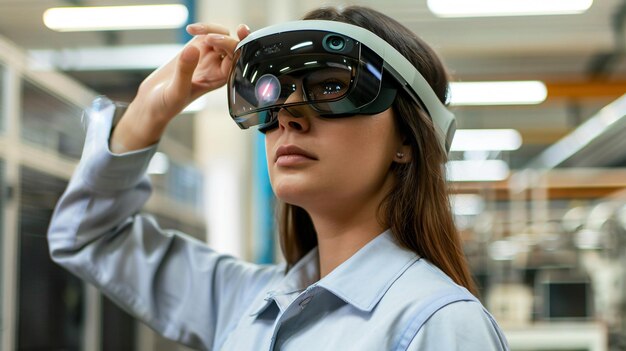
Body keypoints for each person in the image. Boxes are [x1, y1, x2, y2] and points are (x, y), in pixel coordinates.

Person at [48, 5, 509, 351]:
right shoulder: (248, 303)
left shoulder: (439, 323)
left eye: (330, 87)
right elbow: (86, 237)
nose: (289, 117)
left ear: (407, 139)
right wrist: (154, 104)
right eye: (272, 93)